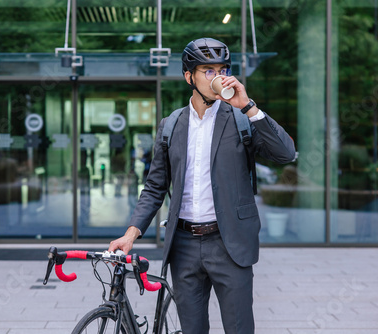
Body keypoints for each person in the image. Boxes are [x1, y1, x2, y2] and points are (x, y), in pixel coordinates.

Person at [109, 37, 296, 334]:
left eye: (222, 69)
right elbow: (155, 187)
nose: (217, 76)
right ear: (189, 77)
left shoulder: (240, 119)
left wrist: (247, 105)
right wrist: (131, 234)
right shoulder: (171, 125)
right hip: (183, 247)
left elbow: (286, 153)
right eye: (208, 70)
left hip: (229, 243)